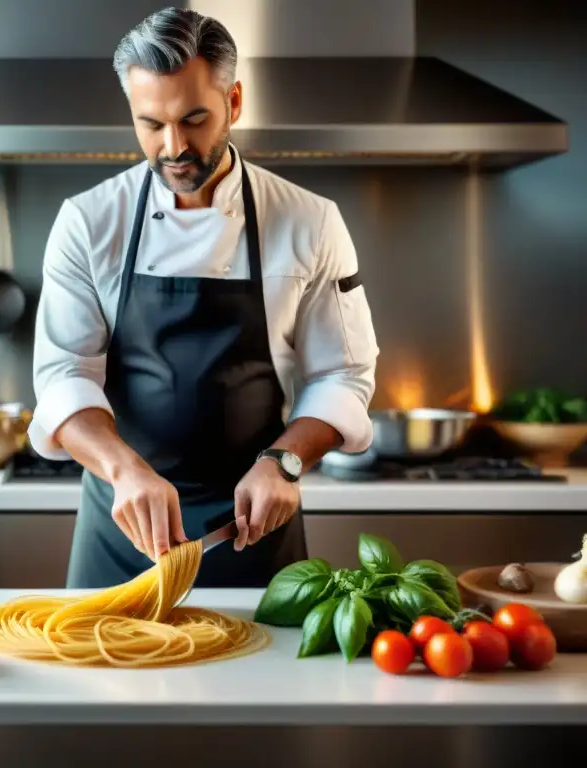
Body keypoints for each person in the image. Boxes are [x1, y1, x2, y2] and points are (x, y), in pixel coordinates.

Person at [27, 7, 379, 589]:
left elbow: (344, 375)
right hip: (123, 525)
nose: (173, 148)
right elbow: (65, 374)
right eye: (151, 124)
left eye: (194, 119)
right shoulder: (89, 222)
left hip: (255, 525)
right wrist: (123, 470)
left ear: (234, 101)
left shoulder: (309, 222)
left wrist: (283, 463)